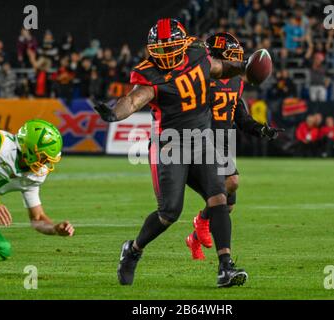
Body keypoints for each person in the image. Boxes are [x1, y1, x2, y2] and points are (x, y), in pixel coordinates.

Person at [94, 18, 273, 288]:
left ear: (183, 44)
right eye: (161, 49)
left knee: (219, 198)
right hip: (170, 145)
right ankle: (132, 250)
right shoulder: (149, 73)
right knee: (169, 213)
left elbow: (219, 67)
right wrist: (115, 113)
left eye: (171, 47)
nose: (166, 54)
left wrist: (244, 67)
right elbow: (134, 99)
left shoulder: (197, 54)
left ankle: (225, 267)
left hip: (201, 140)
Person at [185, 32, 283, 260]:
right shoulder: (202, 78)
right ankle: (202, 224)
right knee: (231, 182)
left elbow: (240, 116)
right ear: (217, 55)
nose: (236, 61)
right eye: (231, 55)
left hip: (224, 143)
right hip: (203, 140)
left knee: (227, 206)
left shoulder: (237, 81)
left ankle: (195, 237)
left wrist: (261, 129)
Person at [0, 120, 75, 290]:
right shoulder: (0, 145)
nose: (44, 164)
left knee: (0, 249)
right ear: (27, 149)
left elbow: (37, 218)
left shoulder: (34, 175)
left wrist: (55, 228)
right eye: (42, 157)